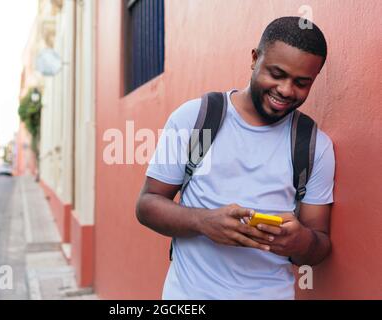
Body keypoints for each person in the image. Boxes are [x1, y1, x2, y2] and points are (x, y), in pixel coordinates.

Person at [135, 16, 335, 300]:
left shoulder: (314, 146)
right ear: (255, 58)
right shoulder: (197, 119)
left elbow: (319, 245)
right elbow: (147, 204)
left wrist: (300, 241)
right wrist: (203, 222)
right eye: (276, 74)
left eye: (301, 83)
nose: (286, 90)